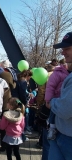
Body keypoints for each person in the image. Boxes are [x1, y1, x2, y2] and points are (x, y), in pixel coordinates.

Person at [46, 32, 72, 160]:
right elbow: (50, 87)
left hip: (68, 139)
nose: (63, 52)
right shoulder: (58, 74)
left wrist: (53, 102)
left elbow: (65, 109)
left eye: (67, 48)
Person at [45, 58, 69, 140]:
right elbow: (50, 87)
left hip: (64, 99)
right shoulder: (57, 73)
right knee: (53, 113)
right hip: (56, 98)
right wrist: (48, 99)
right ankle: (52, 128)